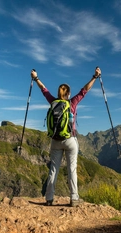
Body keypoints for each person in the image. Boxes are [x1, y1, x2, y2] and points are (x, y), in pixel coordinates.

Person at [30, 67, 101, 207]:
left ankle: (49, 198)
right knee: (72, 169)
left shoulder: (53, 101)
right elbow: (84, 90)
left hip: (55, 141)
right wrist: (95, 76)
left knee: (54, 169)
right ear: (68, 93)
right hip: (70, 140)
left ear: (58, 93)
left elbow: (43, 90)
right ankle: (74, 198)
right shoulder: (72, 103)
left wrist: (36, 77)